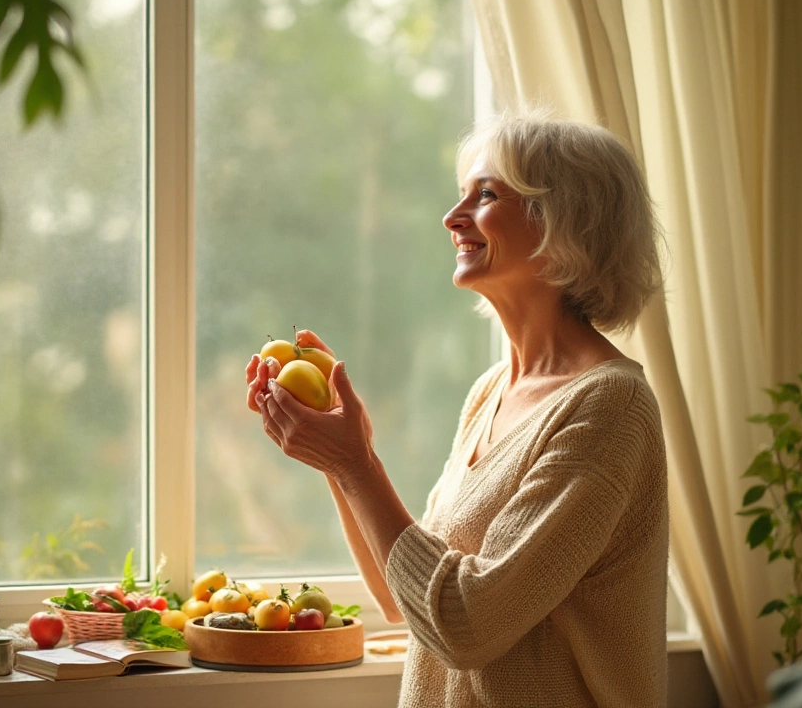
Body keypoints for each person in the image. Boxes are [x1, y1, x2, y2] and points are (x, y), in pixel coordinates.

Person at [245, 109, 669, 708]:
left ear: (564, 220)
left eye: (487, 193)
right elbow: (404, 599)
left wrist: (355, 466)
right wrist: (345, 457)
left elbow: (467, 626)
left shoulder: (611, 407)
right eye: (460, 194)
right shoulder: (490, 392)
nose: (451, 217)